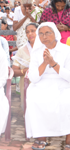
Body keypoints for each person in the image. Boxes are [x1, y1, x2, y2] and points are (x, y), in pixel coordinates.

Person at [25, 22, 70, 150]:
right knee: (34, 97)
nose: (44, 36)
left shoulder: (66, 50)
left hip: (63, 82)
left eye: (47, 33)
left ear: (55, 33)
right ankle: (41, 137)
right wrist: (45, 63)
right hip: (41, 82)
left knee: (66, 101)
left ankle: (69, 137)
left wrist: (53, 63)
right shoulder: (36, 52)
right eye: (41, 34)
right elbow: (33, 78)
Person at [11, 23, 38, 110]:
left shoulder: (46, 48)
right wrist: (25, 71)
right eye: (27, 32)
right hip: (26, 82)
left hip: (42, 82)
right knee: (28, 109)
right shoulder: (22, 50)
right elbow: (14, 71)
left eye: (33, 31)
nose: (30, 34)